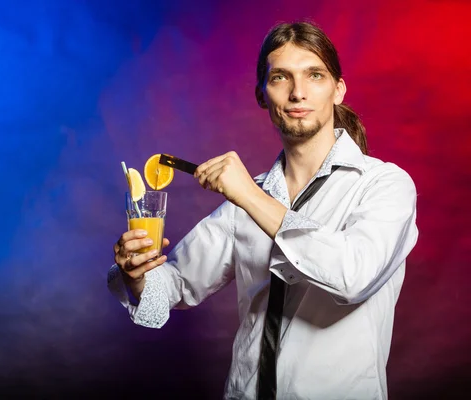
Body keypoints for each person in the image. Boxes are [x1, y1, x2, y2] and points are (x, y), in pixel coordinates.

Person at [108, 21, 418, 399]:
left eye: (314, 75)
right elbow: (175, 285)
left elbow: (352, 277)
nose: (298, 93)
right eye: (281, 78)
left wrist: (250, 197)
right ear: (262, 94)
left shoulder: (384, 185)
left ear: (338, 90)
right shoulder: (245, 199)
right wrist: (136, 275)